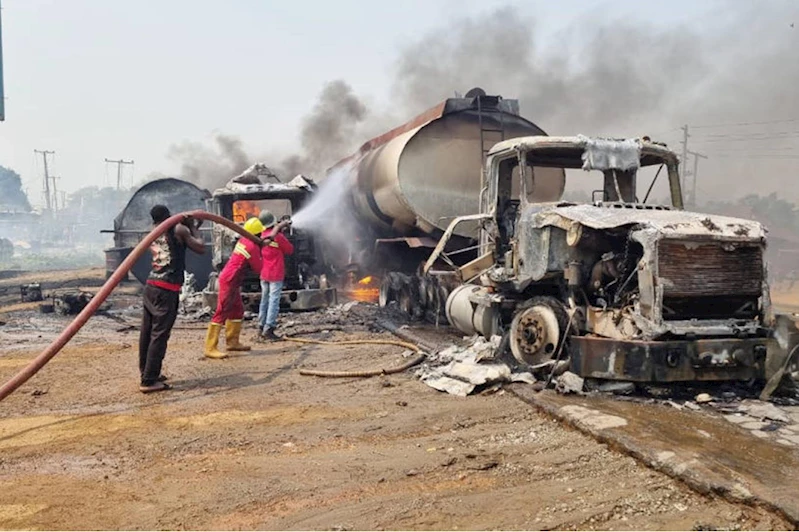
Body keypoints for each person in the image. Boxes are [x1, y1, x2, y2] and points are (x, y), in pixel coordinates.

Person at [139, 205, 205, 393]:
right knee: (160, 334)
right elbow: (200, 247)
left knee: (147, 333)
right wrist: (193, 227)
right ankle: (149, 381)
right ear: (169, 215)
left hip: (151, 285)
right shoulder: (178, 229)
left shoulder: (152, 231)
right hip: (166, 289)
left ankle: (147, 372)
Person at [204, 217, 265, 359]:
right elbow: (258, 268)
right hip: (229, 280)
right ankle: (210, 347)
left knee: (237, 310)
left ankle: (232, 342)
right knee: (222, 311)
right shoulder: (252, 246)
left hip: (233, 280)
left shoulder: (244, 241)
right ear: (257, 234)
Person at [258, 210, 293, 341]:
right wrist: (282, 233)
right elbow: (289, 250)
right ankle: (269, 329)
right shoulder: (277, 237)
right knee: (274, 301)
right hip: (276, 273)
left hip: (264, 273)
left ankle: (261, 326)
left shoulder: (262, 235)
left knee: (264, 300)